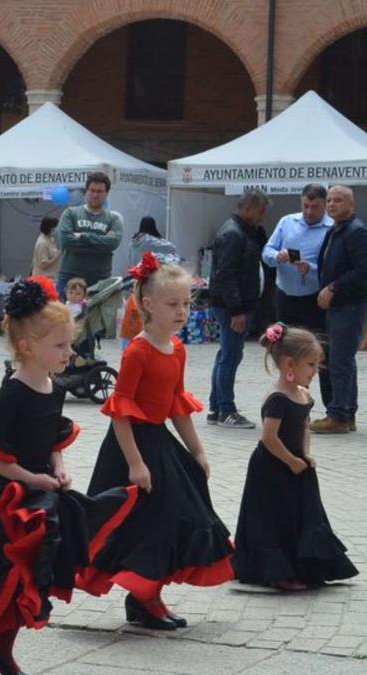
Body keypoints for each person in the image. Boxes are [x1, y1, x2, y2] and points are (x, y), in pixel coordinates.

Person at [0, 276, 136, 675]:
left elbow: (54, 435)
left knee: (30, 579)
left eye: (69, 344)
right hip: (2, 502)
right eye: (60, 345)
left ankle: (2, 649)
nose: (69, 353)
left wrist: (58, 467)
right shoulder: (14, 392)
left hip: (37, 500)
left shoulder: (52, 387)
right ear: (27, 347)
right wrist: (30, 478)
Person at [78, 253, 234, 630]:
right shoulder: (138, 351)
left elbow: (178, 404)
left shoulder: (178, 349)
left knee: (182, 518)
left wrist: (196, 448)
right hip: (132, 447)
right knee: (149, 525)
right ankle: (144, 598)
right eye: (173, 304)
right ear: (147, 305)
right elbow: (120, 412)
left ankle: (149, 596)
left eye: (186, 304)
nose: (182, 312)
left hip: (161, 444)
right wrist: (134, 463)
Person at [233, 324, 358, 589]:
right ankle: (277, 572)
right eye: (311, 365)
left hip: (298, 464)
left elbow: (304, 427)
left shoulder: (303, 395)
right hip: (272, 467)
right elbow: (269, 437)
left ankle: (306, 564)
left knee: (301, 514)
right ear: (290, 364)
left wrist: (306, 454)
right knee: (276, 516)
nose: (315, 372)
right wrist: (291, 460)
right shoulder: (278, 398)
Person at [261, 184, 334, 408]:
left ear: (324, 206)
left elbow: (333, 267)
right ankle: (290, 400)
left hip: (314, 299)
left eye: (315, 207)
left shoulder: (331, 228)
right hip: (285, 296)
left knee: (320, 353)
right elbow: (266, 252)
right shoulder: (287, 222)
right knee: (288, 351)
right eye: (306, 206)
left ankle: (331, 408)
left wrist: (310, 269)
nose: (310, 211)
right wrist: (278, 256)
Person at [206, 189, 269, 429]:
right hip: (233, 307)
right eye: (261, 210)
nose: (262, 216)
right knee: (230, 356)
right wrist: (236, 310)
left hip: (235, 304)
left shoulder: (243, 231)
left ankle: (217, 407)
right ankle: (226, 410)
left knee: (226, 355)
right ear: (248, 208)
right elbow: (226, 275)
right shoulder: (233, 233)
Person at [312, 185, 367, 433]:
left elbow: (363, 271)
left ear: (351, 205)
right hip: (337, 307)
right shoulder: (336, 230)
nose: (332, 204)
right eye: (330, 200)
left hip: (349, 305)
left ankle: (339, 416)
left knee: (340, 361)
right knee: (341, 360)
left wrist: (333, 288)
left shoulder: (356, 232)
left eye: (338, 200)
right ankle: (346, 412)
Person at [54, 171, 122, 297]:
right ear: (86, 191)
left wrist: (83, 237)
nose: (95, 195)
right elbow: (66, 241)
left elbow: (112, 243)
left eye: (100, 191)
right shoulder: (70, 213)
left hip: (100, 281)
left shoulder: (113, 219)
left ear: (107, 193)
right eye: (92, 190)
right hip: (69, 279)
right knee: (64, 316)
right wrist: (101, 243)